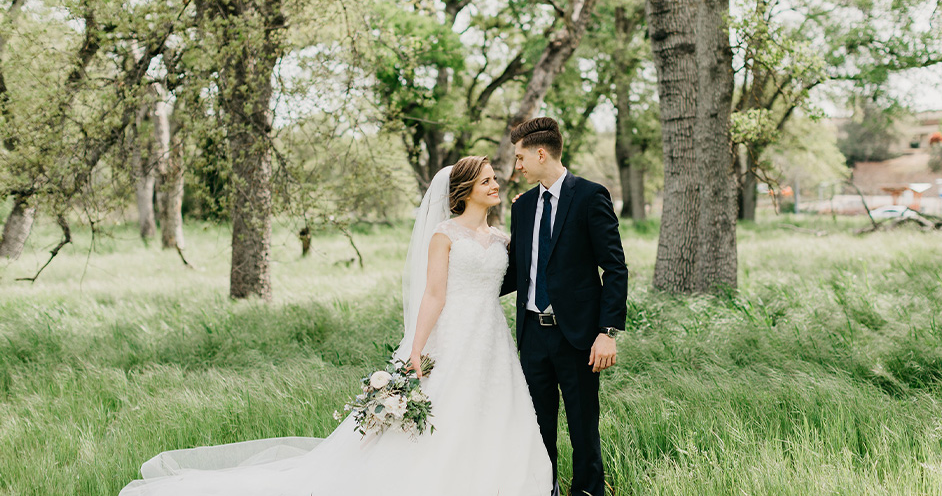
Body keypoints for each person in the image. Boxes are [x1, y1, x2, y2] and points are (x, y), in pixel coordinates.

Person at [119, 156, 552, 496]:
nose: (496, 184)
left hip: (493, 338)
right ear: (465, 191)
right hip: (452, 336)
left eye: (495, 178)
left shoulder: (500, 238)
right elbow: (434, 296)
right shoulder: (445, 235)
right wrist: (415, 351)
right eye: (486, 181)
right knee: (446, 411)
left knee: (493, 408)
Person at [501, 117, 628, 496]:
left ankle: (588, 491)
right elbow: (518, 271)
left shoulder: (591, 196)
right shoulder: (522, 207)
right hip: (532, 336)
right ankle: (546, 490)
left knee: (582, 426)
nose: (517, 167)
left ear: (541, 153)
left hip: (577, 336)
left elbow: (615, 267)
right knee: (538, 426)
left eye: (521, 158)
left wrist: (607, 333)